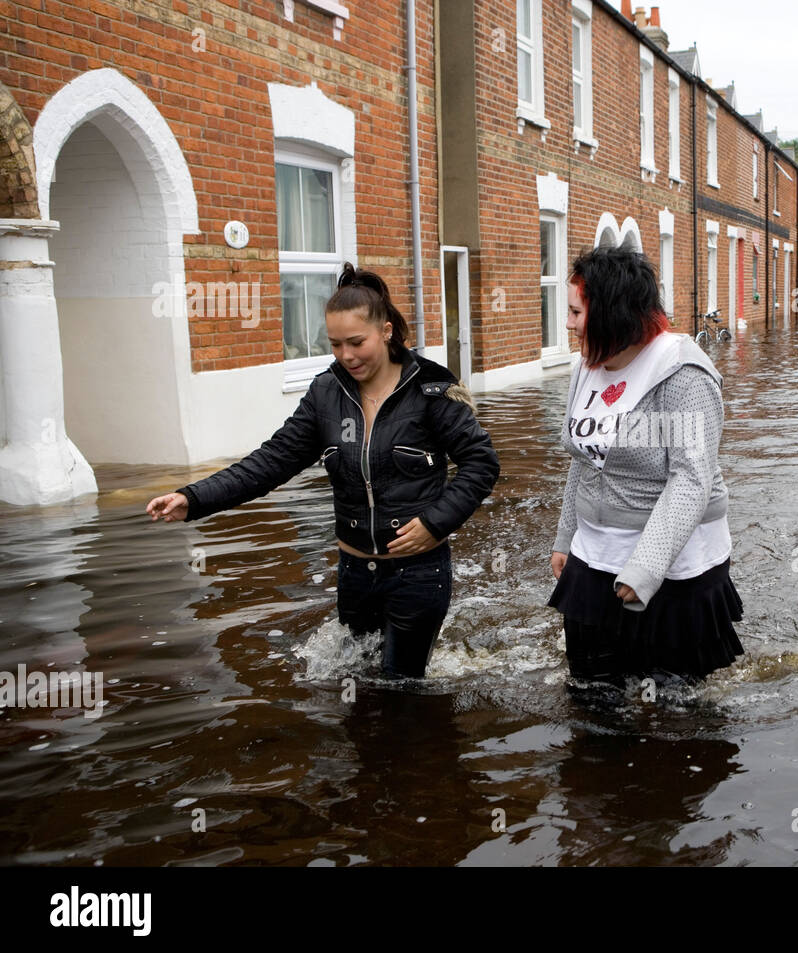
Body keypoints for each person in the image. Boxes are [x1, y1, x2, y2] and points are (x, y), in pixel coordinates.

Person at [146, 264, 500, 679]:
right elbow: (271, 462)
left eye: (356, 342)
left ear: (386, 332)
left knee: (402, 688)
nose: (346, 356)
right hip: (354, 575)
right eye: (335, 345)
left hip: (417, 573)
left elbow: (481, 463)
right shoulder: (325, 393)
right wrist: (195, 497)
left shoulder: (431, 392)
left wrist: (436, 523)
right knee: (358, 685)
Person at [548, 247, 743, 686]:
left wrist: (646, 568)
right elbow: (582, 458)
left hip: (674, 568)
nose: (568, 323)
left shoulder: (683, 372)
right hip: (594, 557)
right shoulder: (587, 367)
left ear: (612, 314)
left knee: (675, 710)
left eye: (577, 312)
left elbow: (691, 478)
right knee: (591, 692)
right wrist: (566, 537)